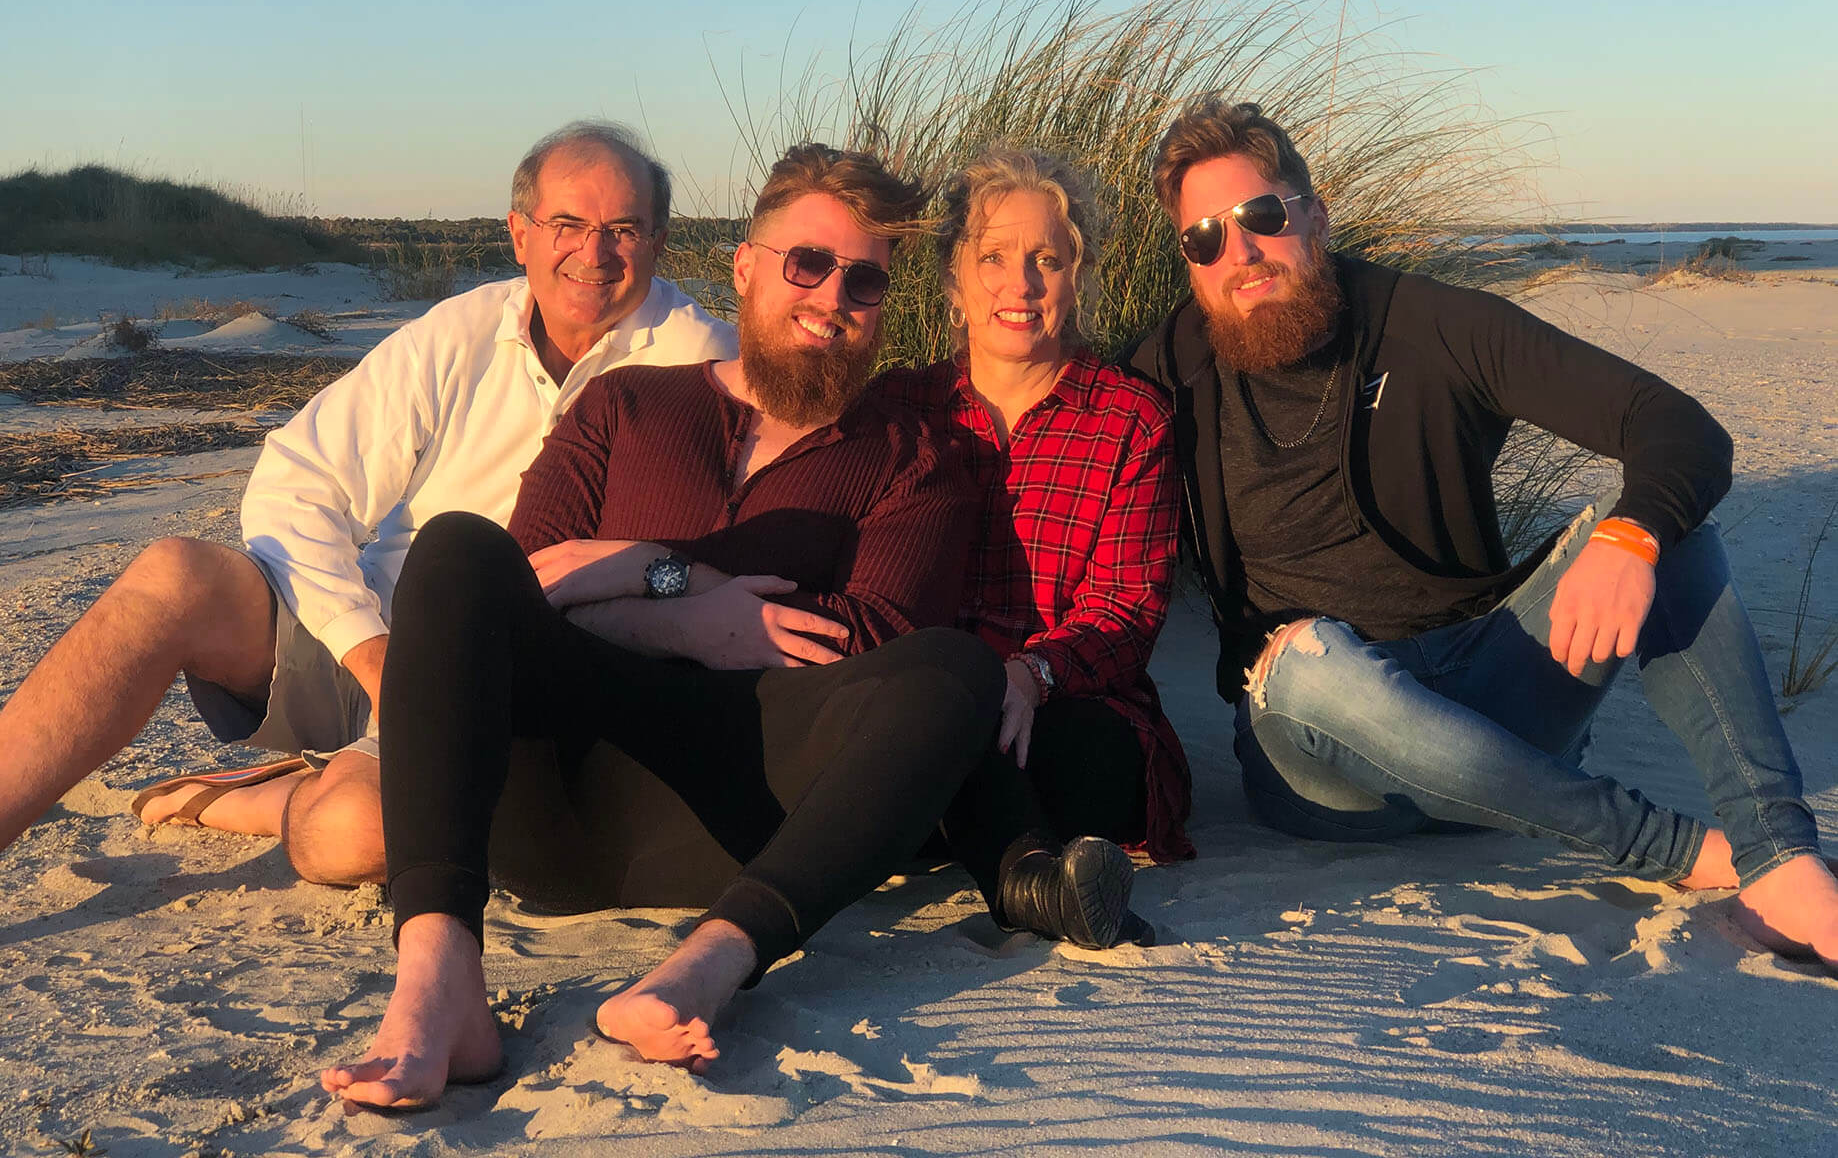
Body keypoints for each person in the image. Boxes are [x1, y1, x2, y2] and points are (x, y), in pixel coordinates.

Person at [319, 143, 1006, 1109]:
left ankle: (712, 965)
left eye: (864, 279)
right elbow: (516, 589)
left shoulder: (914, 460)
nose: (832, 297)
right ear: (746, 265)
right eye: (808, 262)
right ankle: (439, 986)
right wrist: (682, 600)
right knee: (455, 552)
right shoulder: (628, 402)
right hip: (549, 798)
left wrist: (608, 586)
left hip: (741, 816)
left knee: (955, 672)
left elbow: (859, 638)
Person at [1125, 96, 1838, 972]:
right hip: (1326, 765)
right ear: (1189, 264)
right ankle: (1676, 851)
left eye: (1261, 217)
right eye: (1204, 239)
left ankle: (1782, 855)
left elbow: (1674, 425)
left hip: (1494, 697)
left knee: (1670, 529)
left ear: (1313, 215)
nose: (1240, 253)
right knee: (1308, 659)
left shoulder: (1428, 323)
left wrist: (1631, 536)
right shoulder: (1163, 374)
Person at [0, 121, 734, 884]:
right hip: (372, 646)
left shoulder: (706, 364)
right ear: (519, 234)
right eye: (568, 225)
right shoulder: (464, 331)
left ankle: (275, 798)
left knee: (356, 836)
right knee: (173, 576)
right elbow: (296, 481)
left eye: (622, 228)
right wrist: (373, 653)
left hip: (508, 688)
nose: (594, 252)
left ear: (657, 240)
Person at [875, 148, 1191, 950]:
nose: (1019, 285)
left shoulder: (1131, 419)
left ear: (1077, 278)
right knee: (925, 725)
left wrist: (1031, 674)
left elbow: (1128, 610)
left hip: (1068, 711)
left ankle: (953, 830)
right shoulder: (900, 407)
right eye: (994, 257)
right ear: (953, 278)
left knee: (1046, 755)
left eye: (1046, 260)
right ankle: (1035, 884)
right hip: (928, 698)